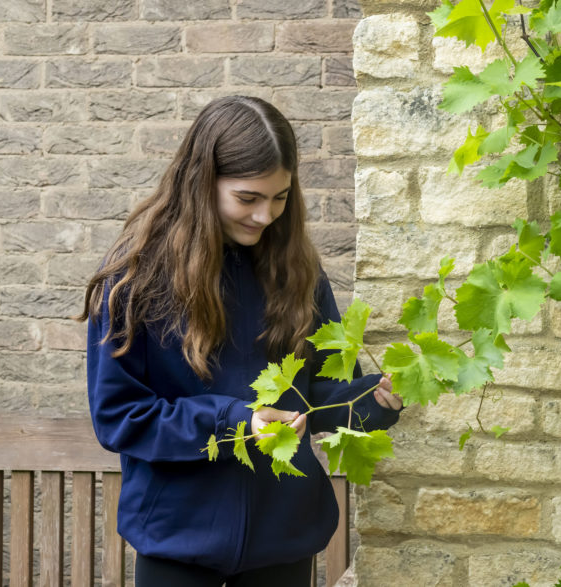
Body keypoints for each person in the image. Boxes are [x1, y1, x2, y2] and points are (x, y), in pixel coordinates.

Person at [79, 95, 403, 586]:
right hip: (177, 545)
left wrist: (373, 400)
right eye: (248, 198)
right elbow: (120, 417)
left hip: (285, 539)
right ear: (201, 182)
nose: (265, 215)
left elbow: (318, 398)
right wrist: (235, 423)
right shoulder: (133, 283)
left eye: (280, 197)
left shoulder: (300, 275)